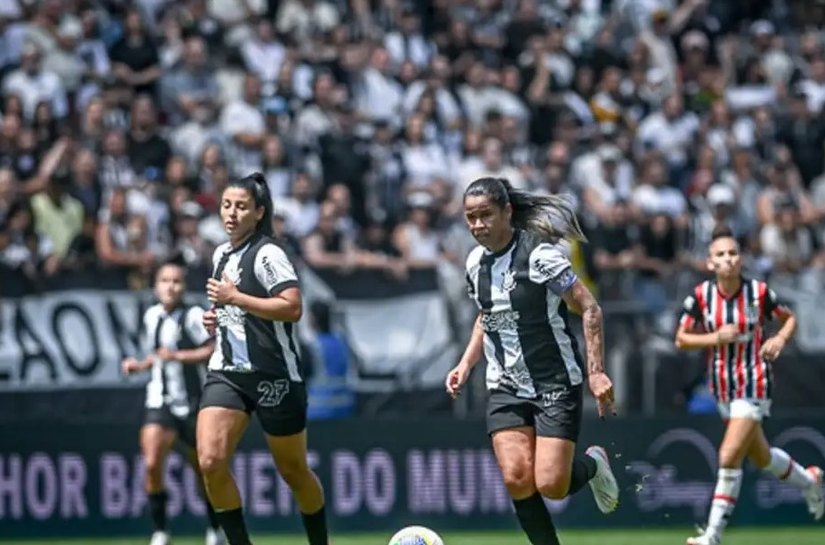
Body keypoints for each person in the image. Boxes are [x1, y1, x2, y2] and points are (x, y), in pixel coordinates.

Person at [445, 177, 620, 545]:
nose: (477, 225)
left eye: (485, 215)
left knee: (552, 485)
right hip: (505, 385)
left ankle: (592, 464)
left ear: (507, 212)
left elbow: (589, 307)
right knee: (515, 476)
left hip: (554, 380)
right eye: (470, 217)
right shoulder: (475, 263)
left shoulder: (541, 255)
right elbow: (486, 314)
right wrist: (465, 364)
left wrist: (597, 373)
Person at [197, 172, 329, 545]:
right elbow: (229, 305)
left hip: (275, 375)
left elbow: (292, 308)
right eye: (226, 206)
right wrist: (216, 317)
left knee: (294, 471)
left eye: (241, 207)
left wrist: (235, 299)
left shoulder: (269, 253)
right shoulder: (220, 254)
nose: (231, 214)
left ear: (259, 213)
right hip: (227, 372)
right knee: (210, 461)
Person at [675, 223, 824, 545]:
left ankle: (711, 535)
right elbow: (681, 339)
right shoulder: (701, 297)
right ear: (710, 262)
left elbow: (789, 318)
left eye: (733, 253)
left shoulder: (758, 292)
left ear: (741, 259)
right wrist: (715, 337)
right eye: (721, 254)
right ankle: (811, 480)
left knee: (729, 456)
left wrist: (780, 339)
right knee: (762, 457)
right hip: (722, 386)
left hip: (754, 380)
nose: (728, 259)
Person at [121, 255, 223, 545]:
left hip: (193, 403)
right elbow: (158, 355)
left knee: (204, 469)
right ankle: (161, 531)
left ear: (184, 286)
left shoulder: (193, 316)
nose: (171, 287)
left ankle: (215, 529)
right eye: (165, 281)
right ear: (155, 286)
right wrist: (140, 365)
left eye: (177, 282)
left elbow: (213, 349)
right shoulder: (151, 316)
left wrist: (178, 356)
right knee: (152, 461)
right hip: (160, 401)